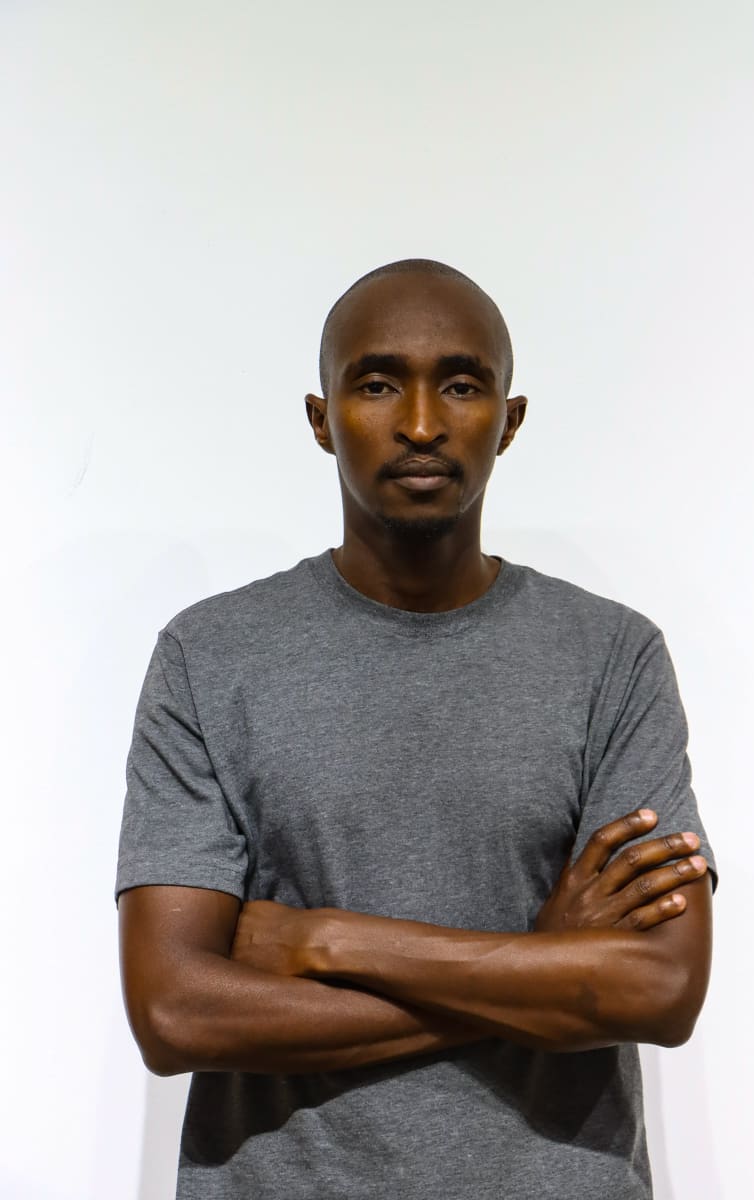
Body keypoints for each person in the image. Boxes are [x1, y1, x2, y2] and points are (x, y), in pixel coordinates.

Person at [116, 258, 716, 1199]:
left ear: (509, 420)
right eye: (378, 383)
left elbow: (661, 990)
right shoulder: (210, 656)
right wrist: (540, 963)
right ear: (322, 418)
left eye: (463, 385)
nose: (424, 423)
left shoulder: (613, 657)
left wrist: (325, 941)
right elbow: (173, 1012)